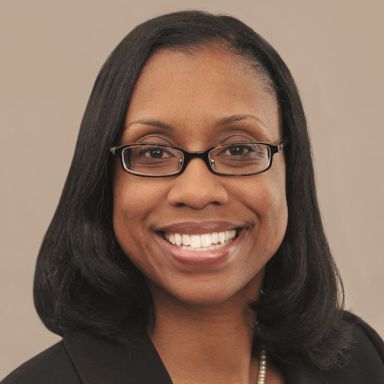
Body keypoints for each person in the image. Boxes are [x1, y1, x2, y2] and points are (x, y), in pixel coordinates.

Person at [2, 10, 383, 384]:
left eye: (238, 150)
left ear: (290, 170)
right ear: (104, 182)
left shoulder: (361, 361)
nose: (198, 192)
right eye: (153, 153)